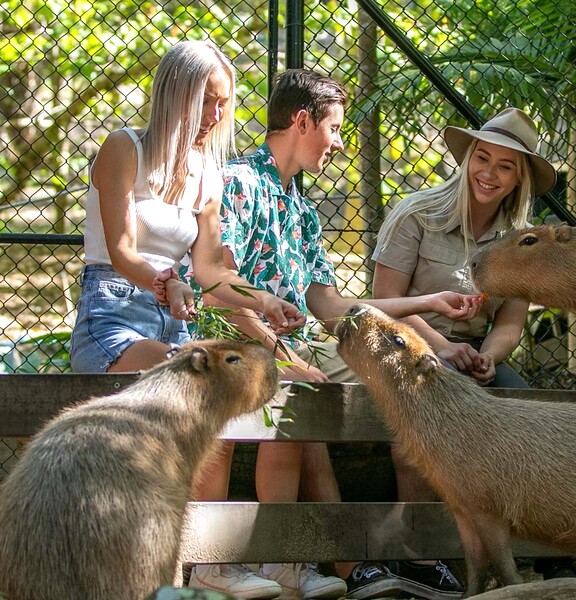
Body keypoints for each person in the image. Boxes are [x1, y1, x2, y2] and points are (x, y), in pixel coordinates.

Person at [184, 68, 483, 600]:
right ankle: (320, 561)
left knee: (408, 374)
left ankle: (415, 554)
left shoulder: (300, 207)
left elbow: (328, 305)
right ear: (303, 121)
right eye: (335, 128)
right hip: (243, 340)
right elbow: (217, 295)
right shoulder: (236, 184)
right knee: (302, 392)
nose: (340, 143)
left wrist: (425, 303)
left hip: (300, 344)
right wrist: (282, 353)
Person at [69, 40, 307, 600]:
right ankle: (177, 570)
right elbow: (124, 250)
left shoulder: (208, 173)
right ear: (177, 95)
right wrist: (164, 280)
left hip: (175, 322)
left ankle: (207, 566)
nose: (217, 116)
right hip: (114, 312)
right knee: (203, 388)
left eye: (225, 104)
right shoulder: (123, 147)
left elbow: (208, 271)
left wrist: (261, 301)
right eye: (208, 102)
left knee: (221, 390)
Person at [372, 107, 576, 582]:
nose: (489, 173)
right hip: (407, 344)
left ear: (518, 180)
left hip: (472, 357)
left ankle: (551, 551)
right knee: (427, 413)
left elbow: (510, 324)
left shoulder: (519, 242)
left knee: (526, 405)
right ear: (467, 159)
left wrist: (489, 357)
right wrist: (440, 347)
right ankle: (419, 555)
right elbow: (383, 304)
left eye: (505, 166)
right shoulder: (418, 213)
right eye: (482, 158)